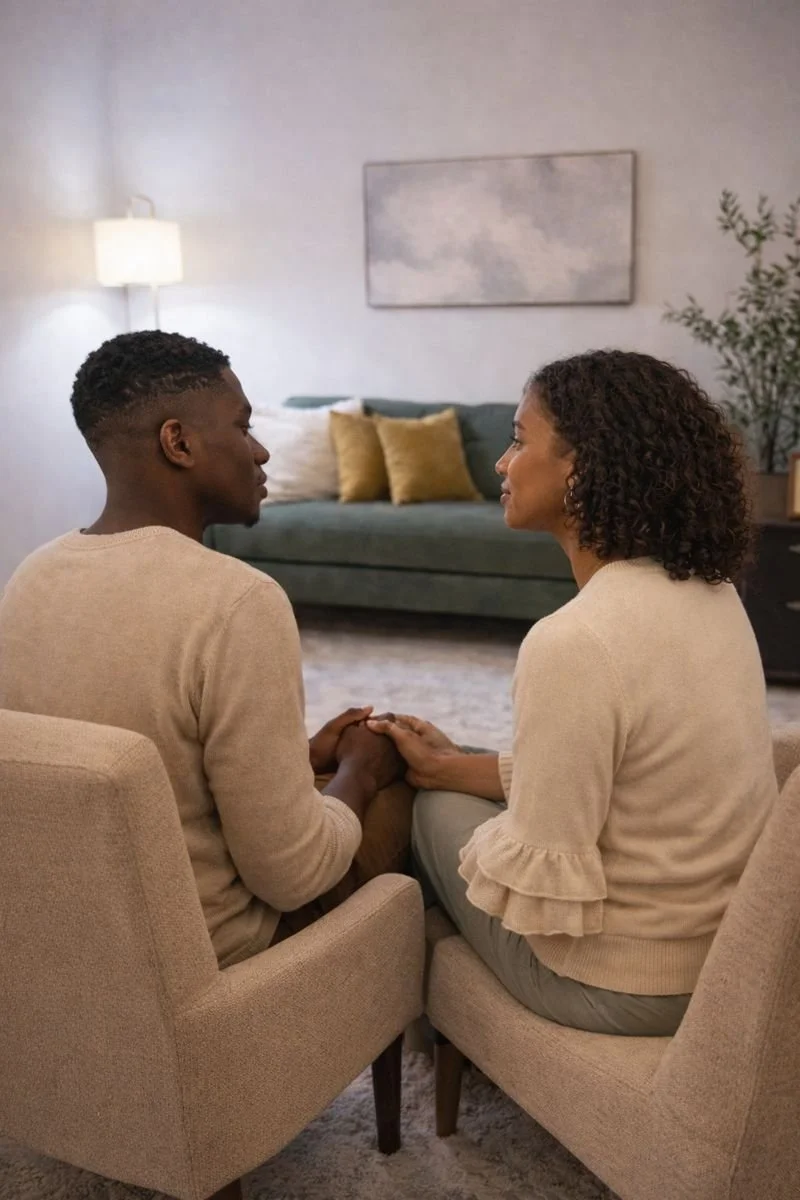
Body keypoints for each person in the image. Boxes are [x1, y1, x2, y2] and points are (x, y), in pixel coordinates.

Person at [369, 349, 778, 1037]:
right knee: (454, 764)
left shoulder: (574, 643)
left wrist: (444, 790)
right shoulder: (713, 594)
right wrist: (463, 766)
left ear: (582, 467)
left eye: (520, 440)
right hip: (722, 957)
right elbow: (637, 771)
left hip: (626, 984)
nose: (502, 463)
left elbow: (540, 870)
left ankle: (407, 1016)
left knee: (424, 802)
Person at [0, 331, 411, 967]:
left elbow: (135, 763)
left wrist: (296, 756)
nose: (261, 449)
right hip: (204, 954)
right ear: (179, 442)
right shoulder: (238, 601)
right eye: (243, 427)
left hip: (64, 938)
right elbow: (292, 875)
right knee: (407, 793)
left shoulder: (30, 577)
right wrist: (362, 768)